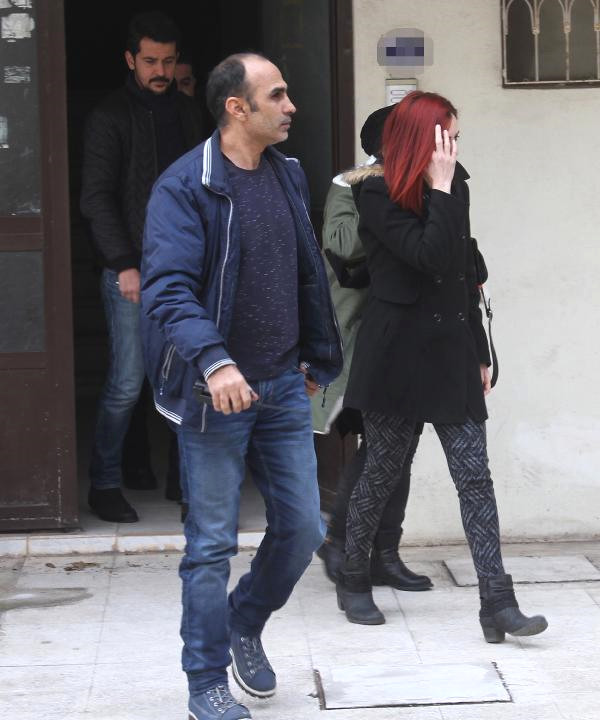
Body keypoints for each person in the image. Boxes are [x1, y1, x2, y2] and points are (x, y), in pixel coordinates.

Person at [140, 53, 342, 720]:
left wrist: (313, 354)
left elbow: (304, 270)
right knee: (210, 546)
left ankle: (244, 620)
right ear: (237, 107)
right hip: (214, 393)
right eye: (276, 95)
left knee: (304, 528)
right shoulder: (185, 186)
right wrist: (215, 362)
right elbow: (168, 290)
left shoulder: (288, 173)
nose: (290, 107)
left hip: (282, 384)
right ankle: (204, 681)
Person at [338, 91, 548, 643]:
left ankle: (497, 602)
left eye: (455, 137)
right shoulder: (375, 192)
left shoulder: (455, 187)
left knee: (475, 477)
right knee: (381, 471)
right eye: (446, 136)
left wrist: (479, 351)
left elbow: (460, 274)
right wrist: (441, 189)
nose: (454, 147)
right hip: (397, 355)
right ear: (421, 139)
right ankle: (353, 576)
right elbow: (427, 255)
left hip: (452, 350)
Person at [80, 11, 203, 522]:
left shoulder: (191, 114)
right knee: (128, 382)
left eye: (168, 61)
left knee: (192, 379)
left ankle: (193, 487)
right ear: (130, 59)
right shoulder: (109, 116)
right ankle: (104, 484)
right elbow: (96, 198)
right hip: (130, 271)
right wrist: (123, 263)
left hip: (187, 269)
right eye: (150, 60)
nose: (160, 71)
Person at [314, 105, 431, 593]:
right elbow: (342, 244)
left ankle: (385, 553)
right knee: (382, 446)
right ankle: (340, 541)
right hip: (363, 330)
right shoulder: (350, 185)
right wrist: (390, 202)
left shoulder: (432, 184)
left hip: (410, 330)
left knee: (402, 445)